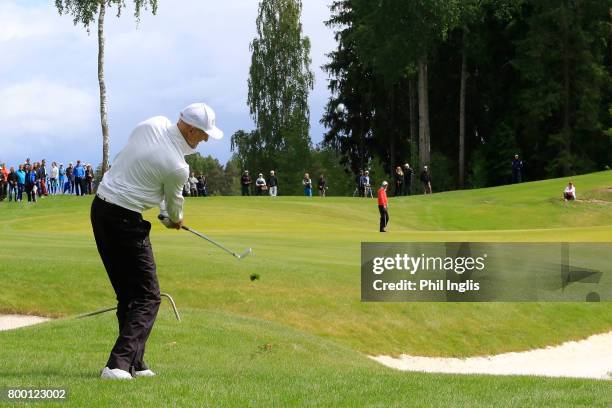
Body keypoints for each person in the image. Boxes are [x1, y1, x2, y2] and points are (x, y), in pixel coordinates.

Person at [91, 102, 223, 380]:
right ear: (188, 127)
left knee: (128, 294)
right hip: (124, 220)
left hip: (101, 210)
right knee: (148, 296)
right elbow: (174, 208)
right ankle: (117, 365)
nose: (206, 138)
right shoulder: (178, 166)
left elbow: (141, 167)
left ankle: (135, 363)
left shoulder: (153, 123)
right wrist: (174, 218)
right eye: (202, 132)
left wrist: (163, 209)